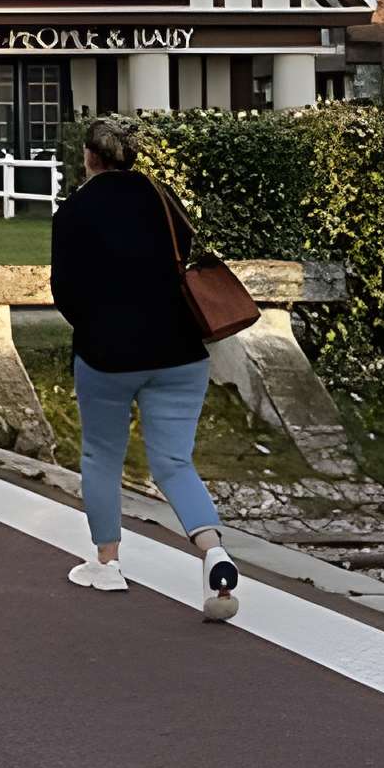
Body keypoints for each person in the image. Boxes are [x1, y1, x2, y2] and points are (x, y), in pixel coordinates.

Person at [49, 116, 241, 622]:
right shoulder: (163, 199)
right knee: (175, 462)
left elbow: (65, 293)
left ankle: (108, 563)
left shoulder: (73, 212)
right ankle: (213, 552)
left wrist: (95, 327)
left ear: (90, 156)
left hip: (108, 355)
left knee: (102, 457)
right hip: (180, 351)